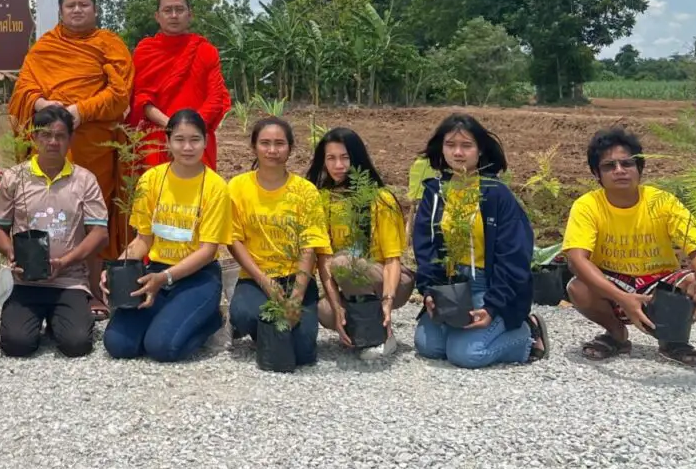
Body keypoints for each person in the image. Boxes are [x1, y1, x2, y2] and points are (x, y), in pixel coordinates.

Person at [8, 0, 134, 314]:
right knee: (48, 209)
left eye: (84, 5)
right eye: (71, 5)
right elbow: (23, 90)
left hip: (93, 144)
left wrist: (81, 111)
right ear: (61, 11)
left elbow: (120, 93)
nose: (77, 10)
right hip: (51, 141)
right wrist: (43, 104)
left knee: (94, 215)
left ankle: (93, 289)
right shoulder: (45, 46)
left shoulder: (109, 44)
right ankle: (42, 278)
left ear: (95, 9)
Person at [562, 126, 696, 367]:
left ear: (639, 168)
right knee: (578, 287)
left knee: (693, 282)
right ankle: (616, 334)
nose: (619, 170)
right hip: (613, 283)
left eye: (627, 163)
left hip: (659, 286)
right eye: (609, 166)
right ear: (596, 174)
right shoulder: (587, 205)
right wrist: (622, 297)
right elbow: (576, 258)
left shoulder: (662, 201)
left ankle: (673, 339)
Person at [412, 113, 547, 368]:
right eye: (450, 145)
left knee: (466, 355)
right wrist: (429, 289)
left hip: (487, 284)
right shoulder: (435, 193)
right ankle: (467, 334)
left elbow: (515, 255)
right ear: (441, 149)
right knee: (429, 346)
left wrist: (493, 307)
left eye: (467, 145)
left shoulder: (496, 194)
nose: (458, 153)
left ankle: (527, 334)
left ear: (480, 150)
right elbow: (425, 247)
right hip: (450, 282)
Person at [102, 109, 231, 362]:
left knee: (162, 348)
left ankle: (212, 320)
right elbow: (142, 240)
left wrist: (165, 278)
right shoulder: (151, 180)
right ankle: (170, 318)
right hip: (156, 273)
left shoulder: (216, 188)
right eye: (179, 139)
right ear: (167, 141)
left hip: (198, 277)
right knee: (118, 345)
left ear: (206, 141)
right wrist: (117, 269)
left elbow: (207, 251)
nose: (187, 147)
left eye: (195, 139)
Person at [0, 104, 109, 358]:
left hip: (70, 280)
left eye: (60, 136)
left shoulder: (84, 180)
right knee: (17, 344)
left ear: (70, 139)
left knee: (77, 344)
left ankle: (61, 320)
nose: (53, 142)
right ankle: (36, 319)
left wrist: (65, 261)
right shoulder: (15, 178)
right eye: (46, 135)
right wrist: (11, 252)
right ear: (34, 137)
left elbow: (99, 233)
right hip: (26, 279)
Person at [226, 117, 332, 366]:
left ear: (290, 148)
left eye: (279, 144)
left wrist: (296, 298)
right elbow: (234, 240)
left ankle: (274, 334)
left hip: (296, 278)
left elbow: (310, 246)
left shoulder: (305, 191)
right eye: (265, 143)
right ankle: (264, 331)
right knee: (243, 315)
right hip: (256, 277)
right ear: (254, 147)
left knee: (303, 354)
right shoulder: (237, 187)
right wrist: (265, 282)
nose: (272, 150)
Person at [306, 127, 414, 359]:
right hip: (348, 276)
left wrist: (388, 301)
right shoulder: (322, 200)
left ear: (357, 158)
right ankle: (361, 331)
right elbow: (324, 260)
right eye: (331, 158)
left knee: (345, 263)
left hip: (389, 280)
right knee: (324, 311)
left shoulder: (380, 199)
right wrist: (337, 307)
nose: (338, 165)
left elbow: (392, 259)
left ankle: (381, 336)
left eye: (345, 157)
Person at [127, 0, 232, 170]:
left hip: (197, 136)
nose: (174, 15)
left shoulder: (205, 50)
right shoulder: (145, 51)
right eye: (168, 10)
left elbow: (215, 98)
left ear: (190, 14)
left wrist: (189, 131)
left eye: (179, 10)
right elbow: (142, 100)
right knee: (155, 185)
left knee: (199, 187)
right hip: (158, 137)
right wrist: (172, 128)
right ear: (157, 16)